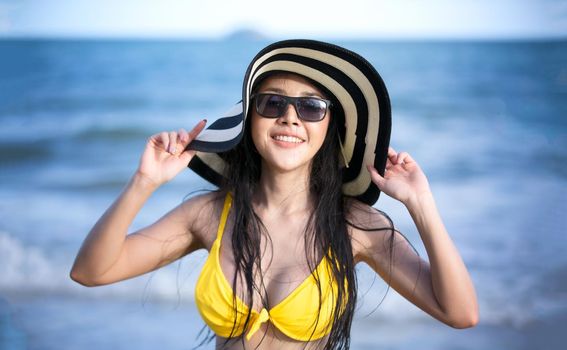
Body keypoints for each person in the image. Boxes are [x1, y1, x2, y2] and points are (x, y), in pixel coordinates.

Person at [70, 39, 478, 350]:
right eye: (272, 103)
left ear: (329, 126)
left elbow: (459, 313)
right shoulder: (208, 215)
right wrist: (144, 182)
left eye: (311, 107)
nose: (289, 117)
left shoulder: (356, 226)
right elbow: (92, 271)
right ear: (250, 120)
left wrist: (421, 205)